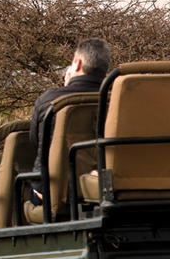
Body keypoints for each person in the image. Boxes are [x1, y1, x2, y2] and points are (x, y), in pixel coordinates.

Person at [28, 37, 112, 177]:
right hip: (104, 185)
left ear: (78, 63)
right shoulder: (116, 100)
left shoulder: (49, 99)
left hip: (54, 187)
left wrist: (68, 87)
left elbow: (35, 142)